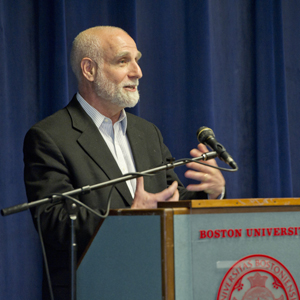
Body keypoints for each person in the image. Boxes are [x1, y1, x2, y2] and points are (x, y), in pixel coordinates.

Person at [23, 26, 225, 299]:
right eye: (123, 61)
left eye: (137, 60)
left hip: (159, 286)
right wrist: (128, 219)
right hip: (93, 288)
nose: (137, 71)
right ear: (89, 69)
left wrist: (210, 193)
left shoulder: (147, 132)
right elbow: (54, 222)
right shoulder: (49, 137)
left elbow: (170, 199)